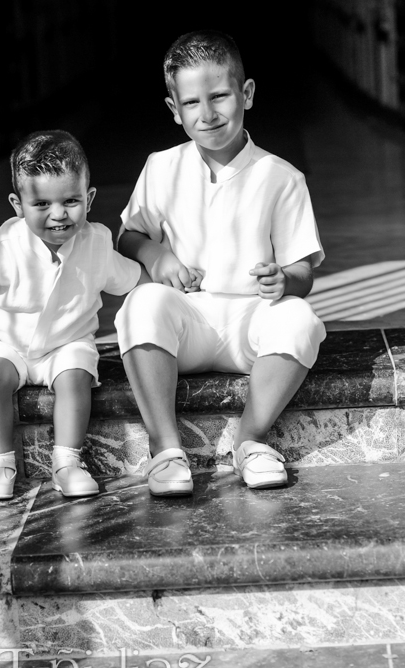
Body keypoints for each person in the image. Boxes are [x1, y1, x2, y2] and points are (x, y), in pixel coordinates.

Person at [115, 30, 326, 496]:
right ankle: (166, 449)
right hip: (188, 322)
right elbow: (128, 236)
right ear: (175, 111)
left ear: (246, 94)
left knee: (300, 319)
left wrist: (284, 281)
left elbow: (304, 272)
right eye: (191, 103)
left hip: (252, 323)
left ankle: (250, 440)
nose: (207, 114)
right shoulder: (161, 167)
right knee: (141, 304)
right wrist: (156, 253)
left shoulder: (281, 177)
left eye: (219, 97)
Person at [0, 130, 142, 500]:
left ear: (89, 198)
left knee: (76, 377)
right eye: (42, 205)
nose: (58, 215)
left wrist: (171, 282)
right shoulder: (2, 243)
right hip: (6, 341)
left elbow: (130, 279)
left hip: (66, 343)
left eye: (70, 201)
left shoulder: (96, 242)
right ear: (18, 205)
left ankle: (67, 462)